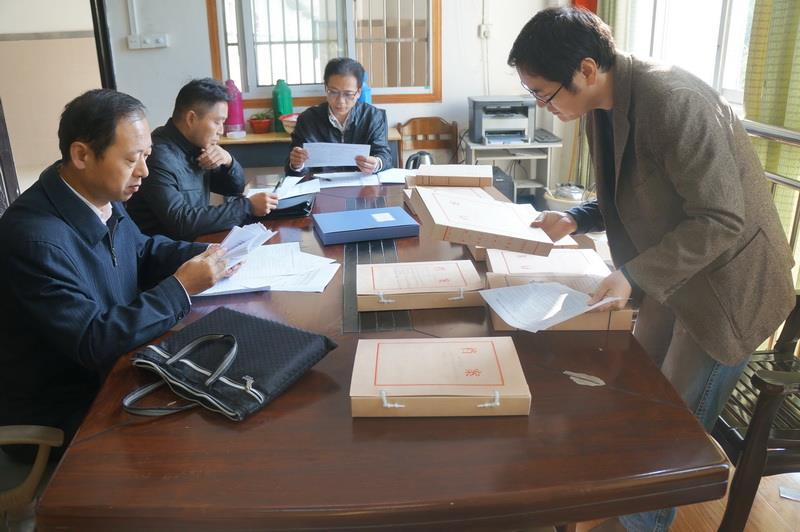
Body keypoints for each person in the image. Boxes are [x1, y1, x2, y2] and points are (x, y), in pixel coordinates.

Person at [507, 7, 794, 531]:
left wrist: (634, 276)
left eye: (544, 94)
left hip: (727, 285)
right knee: (637, 390)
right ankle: (628, 506)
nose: (544, 107)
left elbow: (721, 218)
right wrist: (575, 218)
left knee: (672, 423)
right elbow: (632, 189)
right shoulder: (604, 102)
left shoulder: (673, 102)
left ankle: (642, 521)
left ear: (587, 70)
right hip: (674, 268)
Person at [0, 89, 237, 463]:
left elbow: (141, 250)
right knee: (202, 446)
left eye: (146, 156)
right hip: (70, 408)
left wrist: (208, 254)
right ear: (82, 155)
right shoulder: (34, 239)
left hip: (117, 369)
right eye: (131, 159)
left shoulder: (99, 195)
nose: (143, 171)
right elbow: (92, 339)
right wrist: (180, 288)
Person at [126, 78, 278, 240]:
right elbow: (181, 222)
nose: (221, 130)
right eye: (217, 122)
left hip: (191, 242)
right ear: (191, 118)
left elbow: (234, 189)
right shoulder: (157, 156)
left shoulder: (198, 147)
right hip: (164, 250)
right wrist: (247, 207)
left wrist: (228, 161)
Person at [285, 58, 393, 176]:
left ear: (358, 92)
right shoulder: (308, 119)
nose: (340, 101)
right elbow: (292, 168)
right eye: (333, 92)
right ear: (326, 88)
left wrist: (376, 163)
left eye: (348, 94)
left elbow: (385, 156)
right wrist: (297, 164)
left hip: (361, 184)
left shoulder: (372, 116)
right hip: (320, 185)